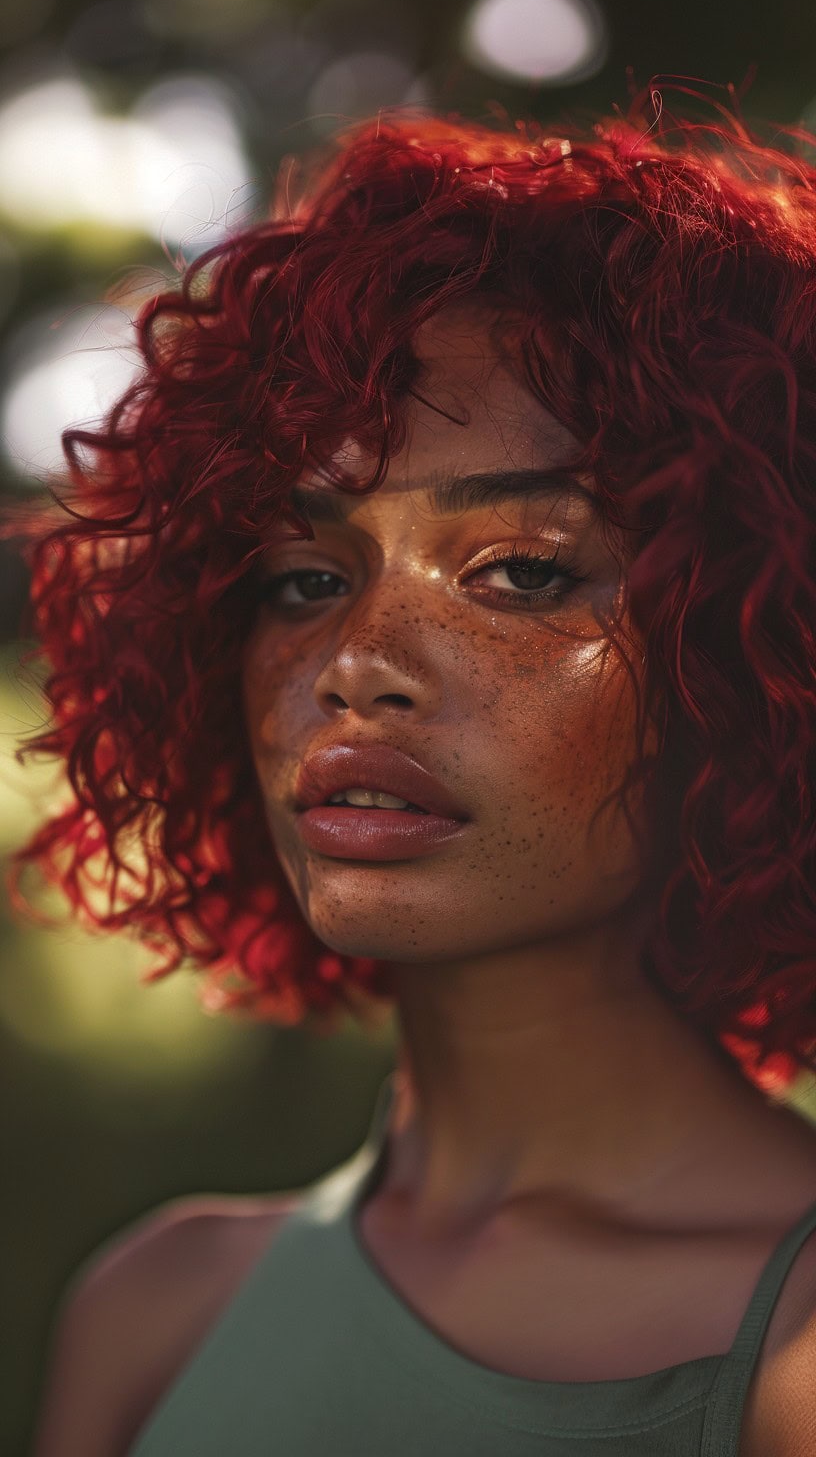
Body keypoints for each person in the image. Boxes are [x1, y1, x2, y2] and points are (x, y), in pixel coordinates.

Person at [6, 83, 816, 1454]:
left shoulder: (789, 1349)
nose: (357, 662)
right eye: (304, 575)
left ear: (748, 650)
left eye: (519, 571)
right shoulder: (155, 1312)